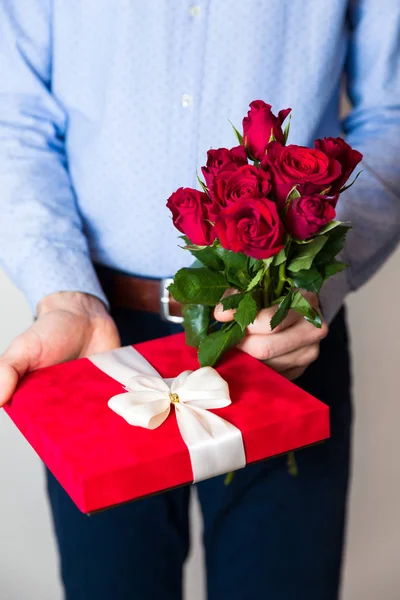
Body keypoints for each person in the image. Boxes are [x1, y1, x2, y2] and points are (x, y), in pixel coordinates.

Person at [0, 1, 398, 599]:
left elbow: (392, 112)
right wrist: (63, 294)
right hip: (95, 339)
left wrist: (314, 282)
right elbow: (14, 114)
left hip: (283, 335)